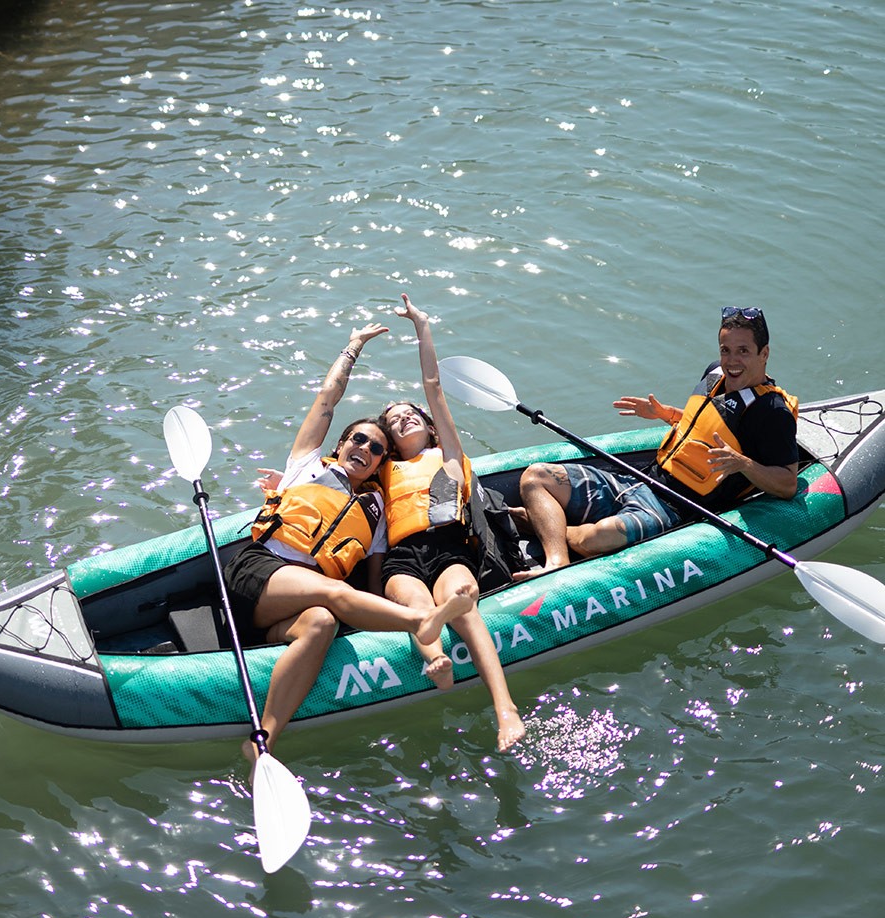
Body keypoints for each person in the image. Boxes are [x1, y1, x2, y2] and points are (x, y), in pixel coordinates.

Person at [223, 320, 474, 762]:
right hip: (257, 572)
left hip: (287, 612)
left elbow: (373, 582)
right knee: (332, 593)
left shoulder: (374, 513)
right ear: (341, 444)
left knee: (322, 621)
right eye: (359, 439)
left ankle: (263, 742)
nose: (367, 448)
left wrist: (371, 619)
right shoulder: (306, 465)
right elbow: (326, 399)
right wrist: (353, 346)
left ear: (381, 462)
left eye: (378, 449)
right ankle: (422, 623)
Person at [512, 306, 799, 577]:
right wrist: (666, 414)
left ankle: (545, 525)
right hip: (638, 479)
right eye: (726, 350)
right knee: (536, 476)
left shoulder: (772, 412)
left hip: (672, 509)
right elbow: (707, 422)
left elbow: (787, 484)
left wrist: (742, 463)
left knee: (595, 539)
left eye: (743, 351)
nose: (731, 361)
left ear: (764, 353)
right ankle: (557, 555)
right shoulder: (714, 372)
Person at [379, 294, 526, 753]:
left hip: (448, 546)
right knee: (413, 603)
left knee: (461, 596)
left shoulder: (448, 455)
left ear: (427, 426)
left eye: (408, 414)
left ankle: (506, 709)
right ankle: (437, 659)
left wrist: (422, 326)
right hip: (403, 557)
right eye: (392, 421)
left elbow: (433, 386)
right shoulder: (380, 472)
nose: (402, 418)